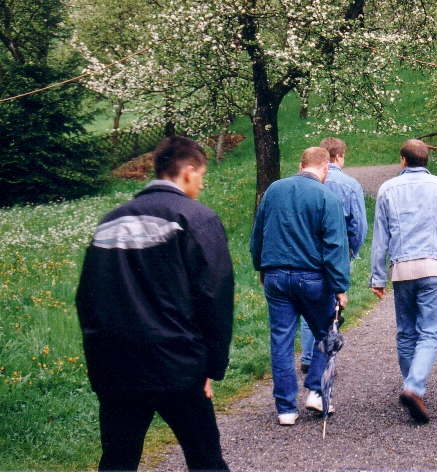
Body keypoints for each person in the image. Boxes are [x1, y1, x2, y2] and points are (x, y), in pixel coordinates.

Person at [76, 136, 234, 471]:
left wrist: (100, 360)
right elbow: (214, 295)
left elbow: (86, 299)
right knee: (205, 461)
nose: (201, 185)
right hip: (177, 364)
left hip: (117, 367)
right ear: (188, 172)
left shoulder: (109, 222)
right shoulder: (196, 218)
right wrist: (212, 367)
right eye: (201, 175)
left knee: (118, 462)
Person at [250, 147, 350, 426]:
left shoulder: (273, 190)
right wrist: (340, 287)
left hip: (276, 276)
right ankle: (316, 391)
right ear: (326, 168)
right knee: (327, 332)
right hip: (312, 279)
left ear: (301, 164)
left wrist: (261, 266)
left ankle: (285, 409)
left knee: (281, 340)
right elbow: (334, 246)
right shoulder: (327, 198)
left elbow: (258, 233)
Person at [370, 139, 437, 424]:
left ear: (403, 160)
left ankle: (411, 386)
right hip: (434, 267)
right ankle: (414, 388)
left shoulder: (387, 189)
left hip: (402, 270)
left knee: (406, 332)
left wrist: (378, 277)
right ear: (426, 160)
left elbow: (380, 238)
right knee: (429, 333)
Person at [298, 137, 368, 374]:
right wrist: (351, 250)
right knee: (331, 307)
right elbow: (359, 226)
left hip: (307, 253)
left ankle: (308, 357)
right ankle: (324, 359)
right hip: (337, 251)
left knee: (310, 306)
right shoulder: (350, 185)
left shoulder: (303, 183)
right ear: (337, 157)